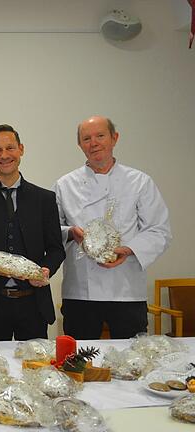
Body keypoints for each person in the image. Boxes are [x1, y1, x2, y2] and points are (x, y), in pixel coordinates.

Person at [55, 116, 171, 339]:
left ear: (114, 138)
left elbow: (159, 230)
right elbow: (50, 230)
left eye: (100, 136)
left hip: (126, 290)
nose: (94, 143)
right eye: (86, 138)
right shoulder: (64, 184)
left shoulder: (140, 182)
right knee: (80, 360)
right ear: (80, 145)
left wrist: (128, 250)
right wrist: (70, 232)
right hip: (81, 291)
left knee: (131, 360)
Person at [0, 124, 65, 341]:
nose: (4, 155)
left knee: (35, 367)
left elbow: (56, 249)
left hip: (34, 304)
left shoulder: (44, 199)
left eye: (10, 148)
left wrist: (46, 270)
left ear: (21, 149)